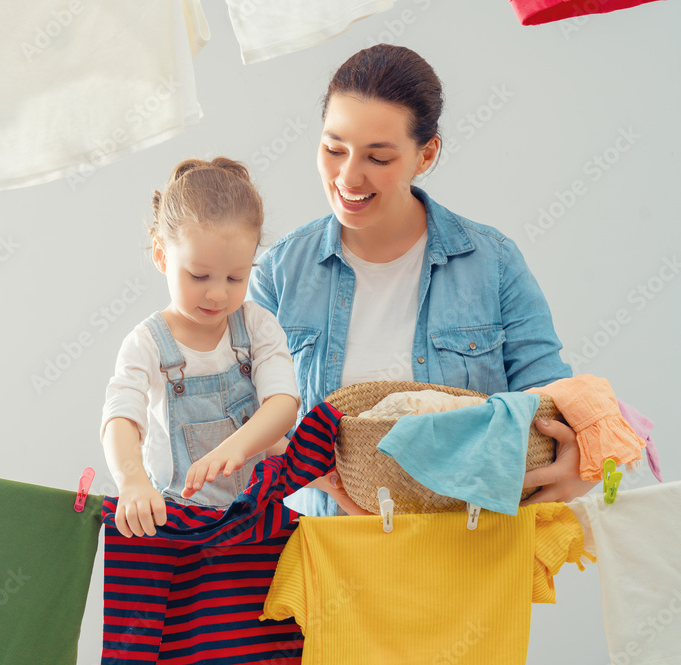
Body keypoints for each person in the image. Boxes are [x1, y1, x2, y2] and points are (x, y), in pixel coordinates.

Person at [248, 44, 598, 517]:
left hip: (468, 558)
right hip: (323, 558)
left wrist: (578, 457)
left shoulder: (492, 263)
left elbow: (551, 404)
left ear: (426, 154)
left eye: (379, 157)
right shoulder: (278, 273)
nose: (348, 175)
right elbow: (246, 424)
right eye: (333, 149)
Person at [101, 157, 301, 537]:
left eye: (235, 277)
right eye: (199, 275)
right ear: (161, 254)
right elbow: (121, 417)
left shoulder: (257, 326)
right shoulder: (147, 344)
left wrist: (237, 448)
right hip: (178, 523)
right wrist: (133, 483)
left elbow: (282, 405)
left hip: (254, 517)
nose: (217, 293)